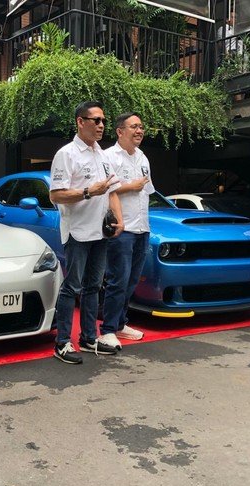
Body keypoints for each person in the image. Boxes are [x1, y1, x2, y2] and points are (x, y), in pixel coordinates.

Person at [49, 101, 124, 364]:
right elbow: (56, 195)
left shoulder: (102, 154)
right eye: (96, 120)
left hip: (100, 232)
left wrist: (119, 220)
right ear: (80, 122)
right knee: (72, 287)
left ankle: (89, 338)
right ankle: (62, 342)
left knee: (93, 287)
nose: (101, 125)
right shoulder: (66, 154)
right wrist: (88, 191)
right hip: (78, 232)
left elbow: (112, 191)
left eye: (103, 121)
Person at [97, 113, 154, 352]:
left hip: (142, 228)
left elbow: (146, 192)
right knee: (118, 280)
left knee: (131, 281)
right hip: (122, 228)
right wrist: (130, 186)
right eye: (134, 127)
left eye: (141, 126)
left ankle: (120, 324)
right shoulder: (108, 156)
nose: (139, 130)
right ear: (120, 131)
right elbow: (104, 191)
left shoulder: (143, 157)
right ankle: (108, 330)